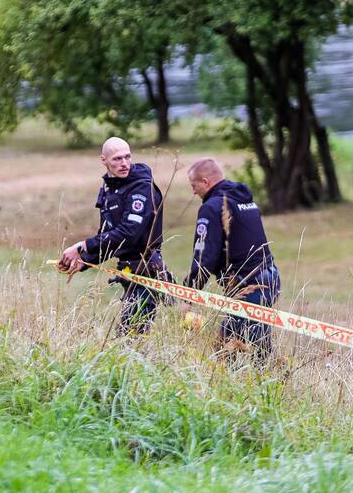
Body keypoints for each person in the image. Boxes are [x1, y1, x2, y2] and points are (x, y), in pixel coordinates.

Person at [58, 137, 170, 334]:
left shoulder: (141, 187)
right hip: (127, 270)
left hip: (146, 269)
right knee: (130, 336)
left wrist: (81, 245)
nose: (124, 163)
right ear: (104, 160)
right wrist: (84, 261)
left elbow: (129, 233)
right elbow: (110, 237)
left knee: (130, 336)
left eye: (127, 157)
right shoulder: (111, 188)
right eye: (117, 159)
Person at [184, 157, 280, 361]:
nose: (193, 192)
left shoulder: (211, 206)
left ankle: (270, 383)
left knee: (245, 351)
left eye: (194, 185)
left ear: (205, 181)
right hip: (270, 276)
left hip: (250, 284)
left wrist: (189, 294)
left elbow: (204, 257)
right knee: (237, 345)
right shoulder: (243, 199)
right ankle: (259, 382)